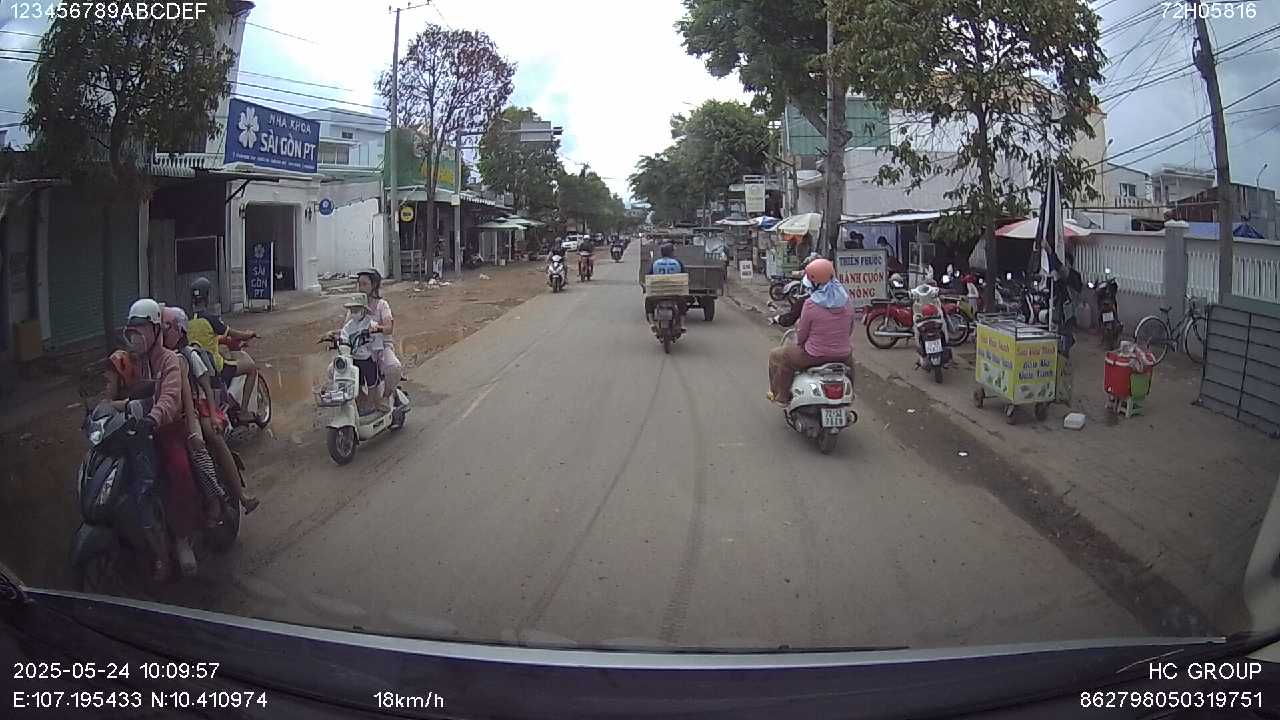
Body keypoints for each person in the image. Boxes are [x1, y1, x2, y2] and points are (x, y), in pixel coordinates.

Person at [106, 299, 203, 579]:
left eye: (142, 329)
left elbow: (170, 398)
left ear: (156, 330)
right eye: (132, 330)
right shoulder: (130, 362)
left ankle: (182, 538)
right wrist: (101, 409)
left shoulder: (169, 360)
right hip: (135, 432)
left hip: (166, 430)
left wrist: (154, 417)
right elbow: (116, 394)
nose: (136, 336)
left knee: (179, 469)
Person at [161, 306, 260, 516]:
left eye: (166, 329)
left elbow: (204, 385)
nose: (163, 334)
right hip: (170, 412)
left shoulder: (187, 354)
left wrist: (213, 414)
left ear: (179, 330)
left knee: (212, 438)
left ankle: (237, 496)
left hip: (196, 407)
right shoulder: (157, 359)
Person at [767, 259, 856, 406]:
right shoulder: (847, 300)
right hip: (842, 355)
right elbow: (850, 329)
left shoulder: (811, 304)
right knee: (851, 363)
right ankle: (851, 393)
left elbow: (802, 334)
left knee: (779, 355)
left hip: (813, 356)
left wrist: (801, 344)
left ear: (815, 283)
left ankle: (782, 396)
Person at [187, 277, 262, 420]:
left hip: (197, 368)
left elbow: (207, 339)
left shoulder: (188, 320)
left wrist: (223, 340)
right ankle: (244, 412)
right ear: (207, 297)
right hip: (216, 368)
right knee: (251, 368)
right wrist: (249, 334)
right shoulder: (211, 319)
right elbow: (234, 334)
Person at [322, 294, 384, 412]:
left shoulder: (371, 324)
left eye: (356, 309)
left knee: (372, 382)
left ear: (364, 310)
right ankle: (360, 404)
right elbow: (344, 340)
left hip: (368, 358)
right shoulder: (348, 327)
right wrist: (341, 343)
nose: (354, 312)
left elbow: (377, 342)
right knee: (355, 382)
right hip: (354, 359)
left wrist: (375, 354)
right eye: (352, 310)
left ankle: (370, 404)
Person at [356, 269, 402, 413]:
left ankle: (385, 397)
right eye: (359, 284)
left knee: (394, 367)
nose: (360, 288)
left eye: (364, 284)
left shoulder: (382, 305)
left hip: (381, 347)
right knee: (335, 369)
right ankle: (361, 397)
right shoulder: (355, 307)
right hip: (359, 349)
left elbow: (389, 327)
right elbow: (347, 327)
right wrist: (333, 335)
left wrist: (377, 328)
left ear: (374, 285)